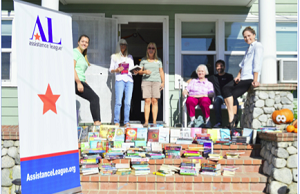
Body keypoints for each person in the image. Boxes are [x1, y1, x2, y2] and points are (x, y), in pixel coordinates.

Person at [223, 26, 264, 129]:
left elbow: (257, 63)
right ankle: (232, 117)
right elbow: (243, 64)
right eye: (245, 37)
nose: (247, 38)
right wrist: (238, 76)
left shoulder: (257, 46)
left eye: (249, 36)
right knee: (226, 89)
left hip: (249, 78)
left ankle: (231, 120)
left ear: (254, 35)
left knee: (231, 95)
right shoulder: (249, 47)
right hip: (242, 77)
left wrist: (255, 80)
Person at [74, 35, 101, 126]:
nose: (84, 43)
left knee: (95, 98)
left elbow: (80, 71)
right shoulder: (75, 52)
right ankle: (97, 123)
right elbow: (72, 68)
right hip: (75, 81)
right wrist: (78, 82)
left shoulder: (82, 55)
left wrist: (84, 82)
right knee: (94, 98)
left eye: (86, 42)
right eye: (82, 41)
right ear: (78, 42)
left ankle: (97, 122)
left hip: (81, 80)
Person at [110, 39, 137, 127]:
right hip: (119, 79)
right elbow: (110, 70)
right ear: (118, 45)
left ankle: (126, 121)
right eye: (121, 44)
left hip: (129, 80)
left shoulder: (130, 57)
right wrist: (117, 70)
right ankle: (116, 121)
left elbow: (132, 69)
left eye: (125, 44)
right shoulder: (114, 56)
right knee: (118, 102)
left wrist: (135, 71)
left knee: (128, 102)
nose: (123, 46)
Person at [138, 42, 165, 127]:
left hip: (156, 82)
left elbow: (161, 71)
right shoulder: (143, 60)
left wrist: (163, 82)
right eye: (149, 48)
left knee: (154, 101)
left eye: (153, 48)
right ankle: (146, 121)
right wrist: (144, 71)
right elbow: (138, 71)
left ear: (155, 50)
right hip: (146, 82)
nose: (151, 50)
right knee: (147, 101)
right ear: (147, 49)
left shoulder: (158, 60)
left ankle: (154, 122)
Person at [207, 60, 239, 127]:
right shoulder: (213, 77)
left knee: (235, 101)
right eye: (217, 66)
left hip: (228, 96)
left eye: (221, 66)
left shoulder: (229, 76)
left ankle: (234, 122)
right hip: (219, 96)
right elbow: (202, 79)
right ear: (215, 68)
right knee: (216, 101)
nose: (219, 67)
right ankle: (219, 123)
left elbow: (234, 86)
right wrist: (191, 80)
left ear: (224, 67)